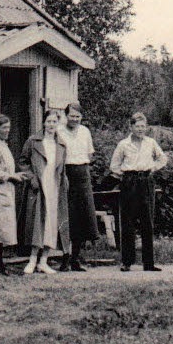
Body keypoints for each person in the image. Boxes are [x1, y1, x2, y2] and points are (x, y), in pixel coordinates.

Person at [108, 112, 167, 272]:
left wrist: (153, 168)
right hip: (129, 182)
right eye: (137, 126)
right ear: (131, 127)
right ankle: (127, 262)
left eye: (143, 126)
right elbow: (114, 165)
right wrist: (126, 176)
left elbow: (163, 158)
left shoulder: (151, 142)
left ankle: (148, 263)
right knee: (128, 221)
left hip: (146, 181)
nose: (141, 129)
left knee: (147, 221)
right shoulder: (123, 144)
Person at [18, 108, 71, 274]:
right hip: (39, 187)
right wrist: (32, 178)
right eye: (49, 121)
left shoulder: (61, 144)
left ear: (58, 123)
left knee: (52, 223)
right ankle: (32, 261)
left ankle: (44, 261)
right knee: (37, 223)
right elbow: (23, 161)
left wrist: (65, 182)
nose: (51, 125)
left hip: (55, 187)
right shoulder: (33, 141)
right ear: (43, 122)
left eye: (54, 122)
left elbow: (62, 168)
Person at [0, 114, 27, 275]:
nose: (7, 130)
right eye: (4, 128)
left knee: (1, 230)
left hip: (4, 191)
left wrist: (16, 174)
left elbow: (5, 169)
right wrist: (11, 176)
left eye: (8, 127)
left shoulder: (2, 145)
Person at [56, 103, 99, 270]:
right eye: (71, 116)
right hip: (65, 173)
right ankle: (64, 258)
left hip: (82, 173)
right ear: (66, 115)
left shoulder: (85, 131)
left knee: (82, 216)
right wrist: (63, 174)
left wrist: (83, 171)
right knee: (67, 216)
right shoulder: (59, 131)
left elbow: (89, 153)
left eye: (77, 116)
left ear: (81, 117)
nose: (74, 119)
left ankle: (75, 258)